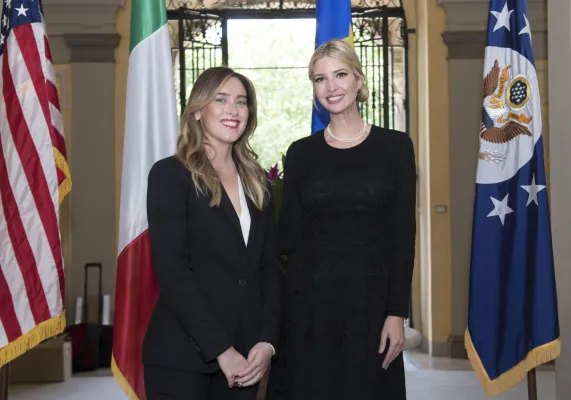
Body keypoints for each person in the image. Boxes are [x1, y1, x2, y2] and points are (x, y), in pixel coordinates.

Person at [266, 39, 417, 399]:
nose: (331, 87)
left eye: (340, 75)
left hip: (371, 309)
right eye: (320, 79)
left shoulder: (396, 148)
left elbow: (402, 237)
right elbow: (288, 238)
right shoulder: (301, 154)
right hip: (308, 312)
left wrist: (397, 313)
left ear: (359, 80)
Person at [142, 66, 281, 400]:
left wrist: (267, 340)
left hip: (246, 357)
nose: (233, 110)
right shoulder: (170, 175)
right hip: (182, 356)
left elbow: (270, 267)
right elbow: (173, 272)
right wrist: (221, 349)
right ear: (198, 110)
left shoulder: (258, 182)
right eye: (221, 99)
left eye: (241, 101)